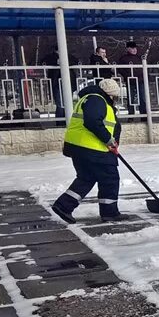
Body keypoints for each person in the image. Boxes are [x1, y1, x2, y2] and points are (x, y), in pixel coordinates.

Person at [51, 79, 128, 223]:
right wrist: (108, 140)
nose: (115, 99)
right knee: (110, 179)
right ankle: (109, 213)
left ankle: (63, 206)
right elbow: (92, 121)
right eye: (115, 96)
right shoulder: (97, 100)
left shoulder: (90, 99)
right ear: (110, 94)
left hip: (80, 147)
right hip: (93, 149)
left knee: (87, 177)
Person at [116, 41, 146, 115]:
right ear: (128, 49)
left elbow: (144, 68)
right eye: (132, 48)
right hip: (130, 81)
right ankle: (131, 115)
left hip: (140, 81)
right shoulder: (124, 58)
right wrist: (127, 75)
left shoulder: (139, 58)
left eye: (135, 48)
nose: (135, 50)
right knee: (131, 98)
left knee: (142, 98)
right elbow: (120, 69)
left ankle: (143, 114)